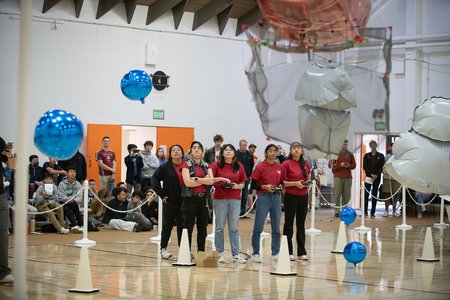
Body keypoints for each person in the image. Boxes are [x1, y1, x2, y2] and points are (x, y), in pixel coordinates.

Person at [181, 141, 229, 259]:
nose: (196, 149)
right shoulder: (186, 164)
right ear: (191, 151)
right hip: (190, 199)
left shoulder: (207, 165)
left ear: (202, 151)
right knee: (188, 227)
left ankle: (200, 253)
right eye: (194, 148)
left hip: (203, 200)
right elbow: (188, 183)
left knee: (202, 228)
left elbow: (211, 181)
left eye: (199, 148)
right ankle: (186, 253)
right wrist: (204, 179)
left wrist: (197, 179)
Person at [210, 144, 247, 264]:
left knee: (234, 228)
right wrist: (221, 180)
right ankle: (220, 252)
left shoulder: (239, 166)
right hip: (220, 198)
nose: (228, 152)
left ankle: (236, 254)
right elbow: (211, 179)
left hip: (235, 199)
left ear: (234, 153)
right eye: (226, 150)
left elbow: (243, 183)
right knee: (219, 227)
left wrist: (237, 186)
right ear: (222, 153)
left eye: (230, 150)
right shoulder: (216, 165)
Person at [250, 144, 285, 263]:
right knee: (258, 226)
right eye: (270, 151)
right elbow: (253, 184)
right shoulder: (260, 167)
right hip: (263, 197)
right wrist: (264, 186)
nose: (273, 153)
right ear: (265, 153)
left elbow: (282, 182)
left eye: (275, 151)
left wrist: (280, 186)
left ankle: (275, 252)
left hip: (276, 198)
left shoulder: (280, 167)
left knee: (276, 227)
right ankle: (255, 253)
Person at [151, 144, 185, 260]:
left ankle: (184, 249)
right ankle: (163, 249)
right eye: (173, 150)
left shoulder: (187, 166)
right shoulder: (165, 167)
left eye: (178, 150)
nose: (176, 152)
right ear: (170, 154)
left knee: (183, 226)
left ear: (182, 153)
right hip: (169, 201)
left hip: (184, 201)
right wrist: (161, 194)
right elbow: (154, 179)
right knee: (167, 226)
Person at [282, 142, 311, 261]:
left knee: (301, 223)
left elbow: (308, 177)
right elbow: (282, 182)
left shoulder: (305, 163)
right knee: (289, 223)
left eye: (299, 148)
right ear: (290, 150)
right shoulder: (286, 164)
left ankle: (301, 251)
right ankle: (288, 251)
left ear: (302, 151)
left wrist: (306, 184)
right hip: (291, 196)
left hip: (303, 196)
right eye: (294, 148)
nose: (296, 150)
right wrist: (295, 184)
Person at [0, 137, 15, 284]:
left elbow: (11, 166)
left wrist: (9, 153)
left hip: (0, 195)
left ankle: (3, 272)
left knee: (2, 233)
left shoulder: (0, 142)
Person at [329, 140, 356, 217]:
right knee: (337, 195)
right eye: (344, 144)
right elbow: (330, 165)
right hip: (338, 176)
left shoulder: (350, 154)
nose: (345, 145)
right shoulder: (335, 154)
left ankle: (345, 211)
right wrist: (340, 165)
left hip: (348, 177)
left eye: (346, 144)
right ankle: (336, 211)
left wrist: (348, 166)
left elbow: (354, 165)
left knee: (346, 195)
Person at [363, 140, 385, 217]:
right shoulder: (366, 156)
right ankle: (365, 212)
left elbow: (382, 167)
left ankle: (373, 212)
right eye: (371, 144)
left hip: (377, 177)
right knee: (366, 194)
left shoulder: (381, 156)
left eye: (374, 144)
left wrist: (376, 175)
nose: (373, 146)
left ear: (376, 145)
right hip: (368, 177)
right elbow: (365, 167)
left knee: (374, 194)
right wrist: (371, 174)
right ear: (370, 146)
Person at [57, 166, 83, 232]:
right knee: (66, 208)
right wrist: (69, 199)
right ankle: (75, 225)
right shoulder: (62, 184)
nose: (72, 173)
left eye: (74, 172)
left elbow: (80, 196)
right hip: (63, 202)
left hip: (73, 201)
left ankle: (81, 225)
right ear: (67, 173)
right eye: (71, 171)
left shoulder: (78, 184)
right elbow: (60, 196)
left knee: (75, 206)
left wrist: (74, 200)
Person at [236, 139, 254, 216]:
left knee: (245, 195)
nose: (244, 146)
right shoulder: (235, 154)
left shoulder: (250, 155)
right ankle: (236, 211)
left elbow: (251, 166)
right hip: (237, 178)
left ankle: (242, 212)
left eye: (245, 145)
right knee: (236, 195)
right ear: (240, 145)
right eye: (243, 145)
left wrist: (250, 176)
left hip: (246, 177)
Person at [382, 144, 400, 217]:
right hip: (387, 178)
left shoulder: (398, 157)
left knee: (395, 195)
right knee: (387, 194)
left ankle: (394, 210)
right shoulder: (386, 157)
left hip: (396, 178)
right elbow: (383, 167)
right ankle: (386, 210)